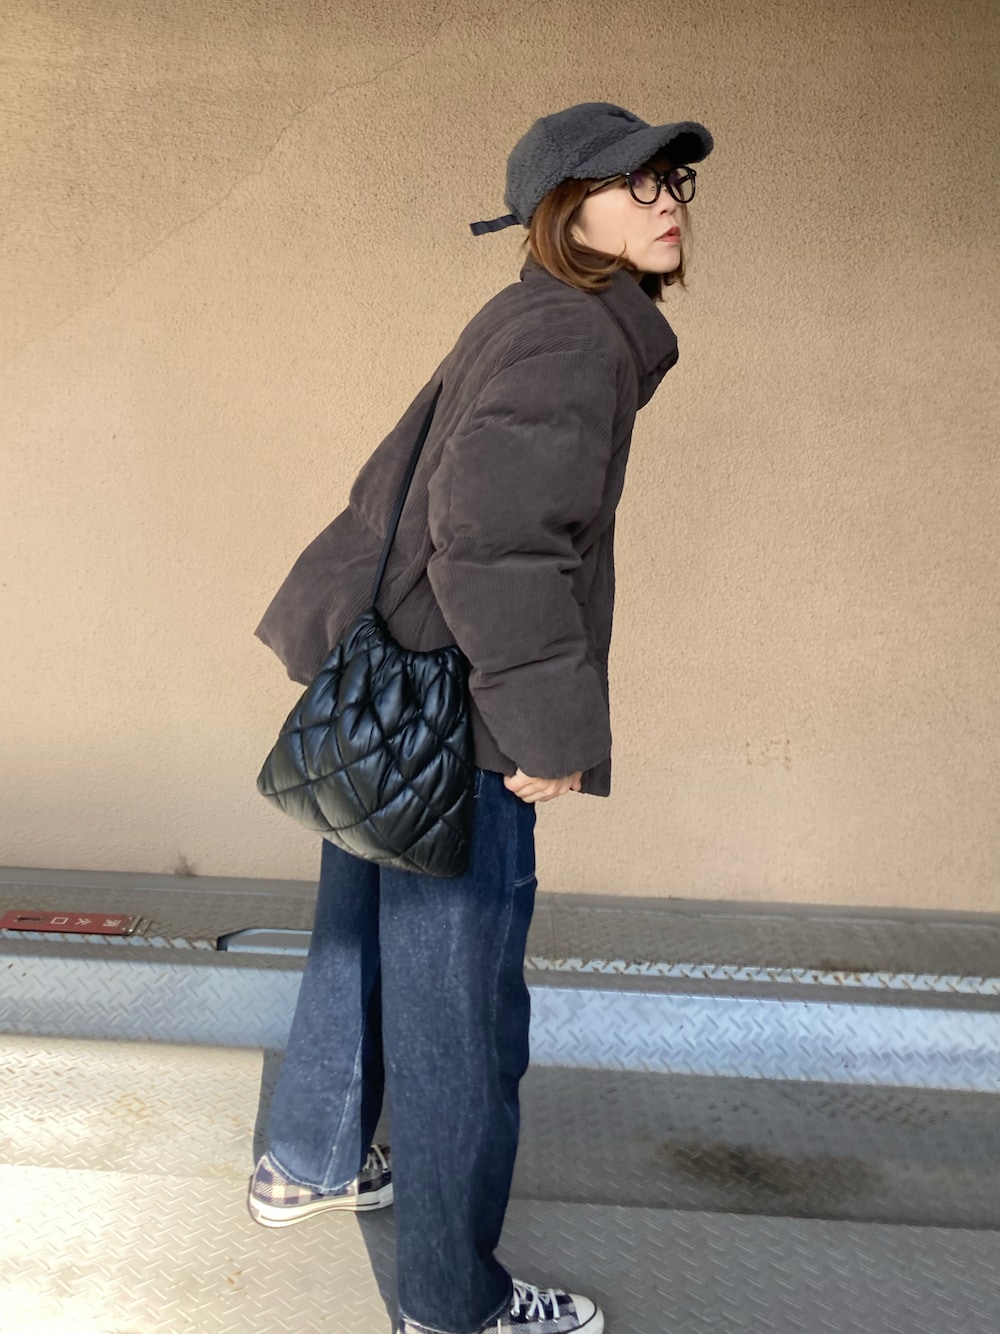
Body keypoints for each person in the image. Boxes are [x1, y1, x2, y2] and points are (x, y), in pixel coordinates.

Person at [250, 101, 713, 1334]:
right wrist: (547, 729)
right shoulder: (574, 337)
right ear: (564, 208)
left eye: (672, 180)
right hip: (457, 708)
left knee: (357, 939)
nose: (666, 200)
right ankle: (452, 1301)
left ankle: (308, 1157)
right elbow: (496, 542)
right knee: (461, 1016)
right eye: (634, 182)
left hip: (389, 692)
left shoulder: (530, 313)